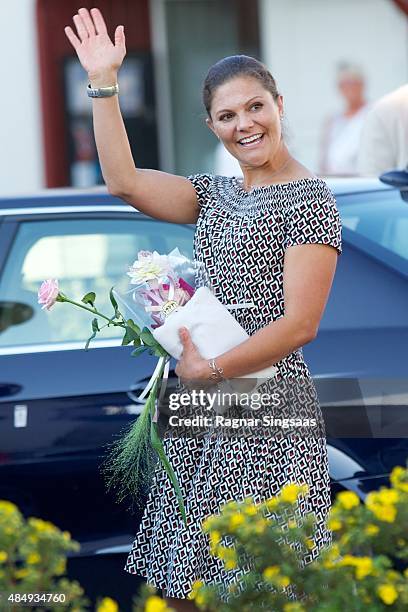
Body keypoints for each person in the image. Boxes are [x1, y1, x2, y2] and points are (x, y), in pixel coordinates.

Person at [65, 8, 342, 610]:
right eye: (227, 115)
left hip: (267, 418)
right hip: (200, 415)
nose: (244, 124)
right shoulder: (214, 193)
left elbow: (300, 324)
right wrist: (105, 85)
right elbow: (124, 182)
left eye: (254, 107)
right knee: (186, 589)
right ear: (211, 125)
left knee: (264, 586)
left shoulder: (310, 198)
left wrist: (210, 372)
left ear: (279, 104)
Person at [319, 63, 368, 175]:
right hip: (336, 181)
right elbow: (324, 158)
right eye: (343, 84)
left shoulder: (372, 113)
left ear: (362, 85)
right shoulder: (332, 119)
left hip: (363, 180)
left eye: (352, 83)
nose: (348, 88)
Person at [358, 83, 408, 176]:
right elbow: (373, 179)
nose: (350, 89)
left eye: (353, 83)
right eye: (344, 84)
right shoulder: (384, 110)